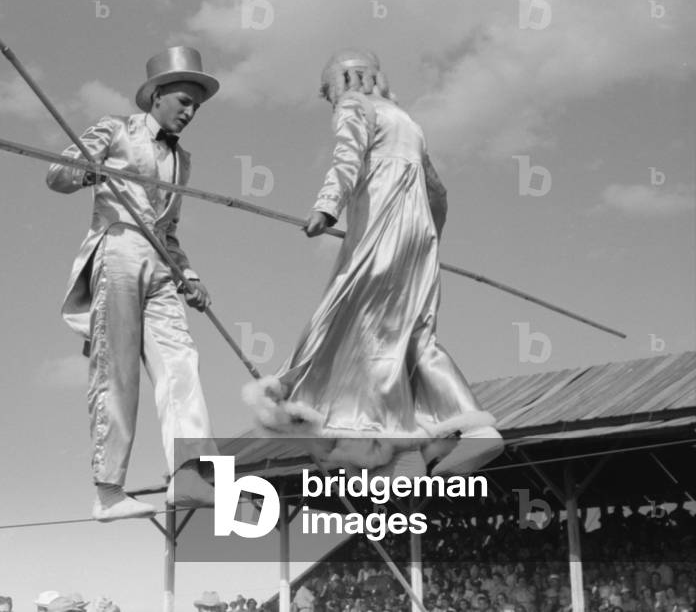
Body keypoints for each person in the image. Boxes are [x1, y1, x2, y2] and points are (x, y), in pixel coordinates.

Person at [245, 48, 502, 477]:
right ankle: (472, 432)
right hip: (420, 239)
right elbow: (437, 191)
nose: (331, 102)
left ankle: (367, 439)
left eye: (328, 93)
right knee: (416, 337)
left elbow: (347, 157)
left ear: (342, 82)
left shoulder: (354, 105)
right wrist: (427, 240)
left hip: (382, 235)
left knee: (345, 324)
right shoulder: (407, 121)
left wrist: (326, 208)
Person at [47, 46, 221, 520]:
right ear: (158, 94)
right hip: (117, 248)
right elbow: (57, 176)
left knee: (182, 363)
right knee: (117, 370)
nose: (190, 112)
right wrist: (90, 168)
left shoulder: (183, 160)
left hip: (160, 266)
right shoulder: (114, 129)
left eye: (196, 107)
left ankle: (193, 477)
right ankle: (108, 492)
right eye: (184, 101)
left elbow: (169, 229)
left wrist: (190, 274)